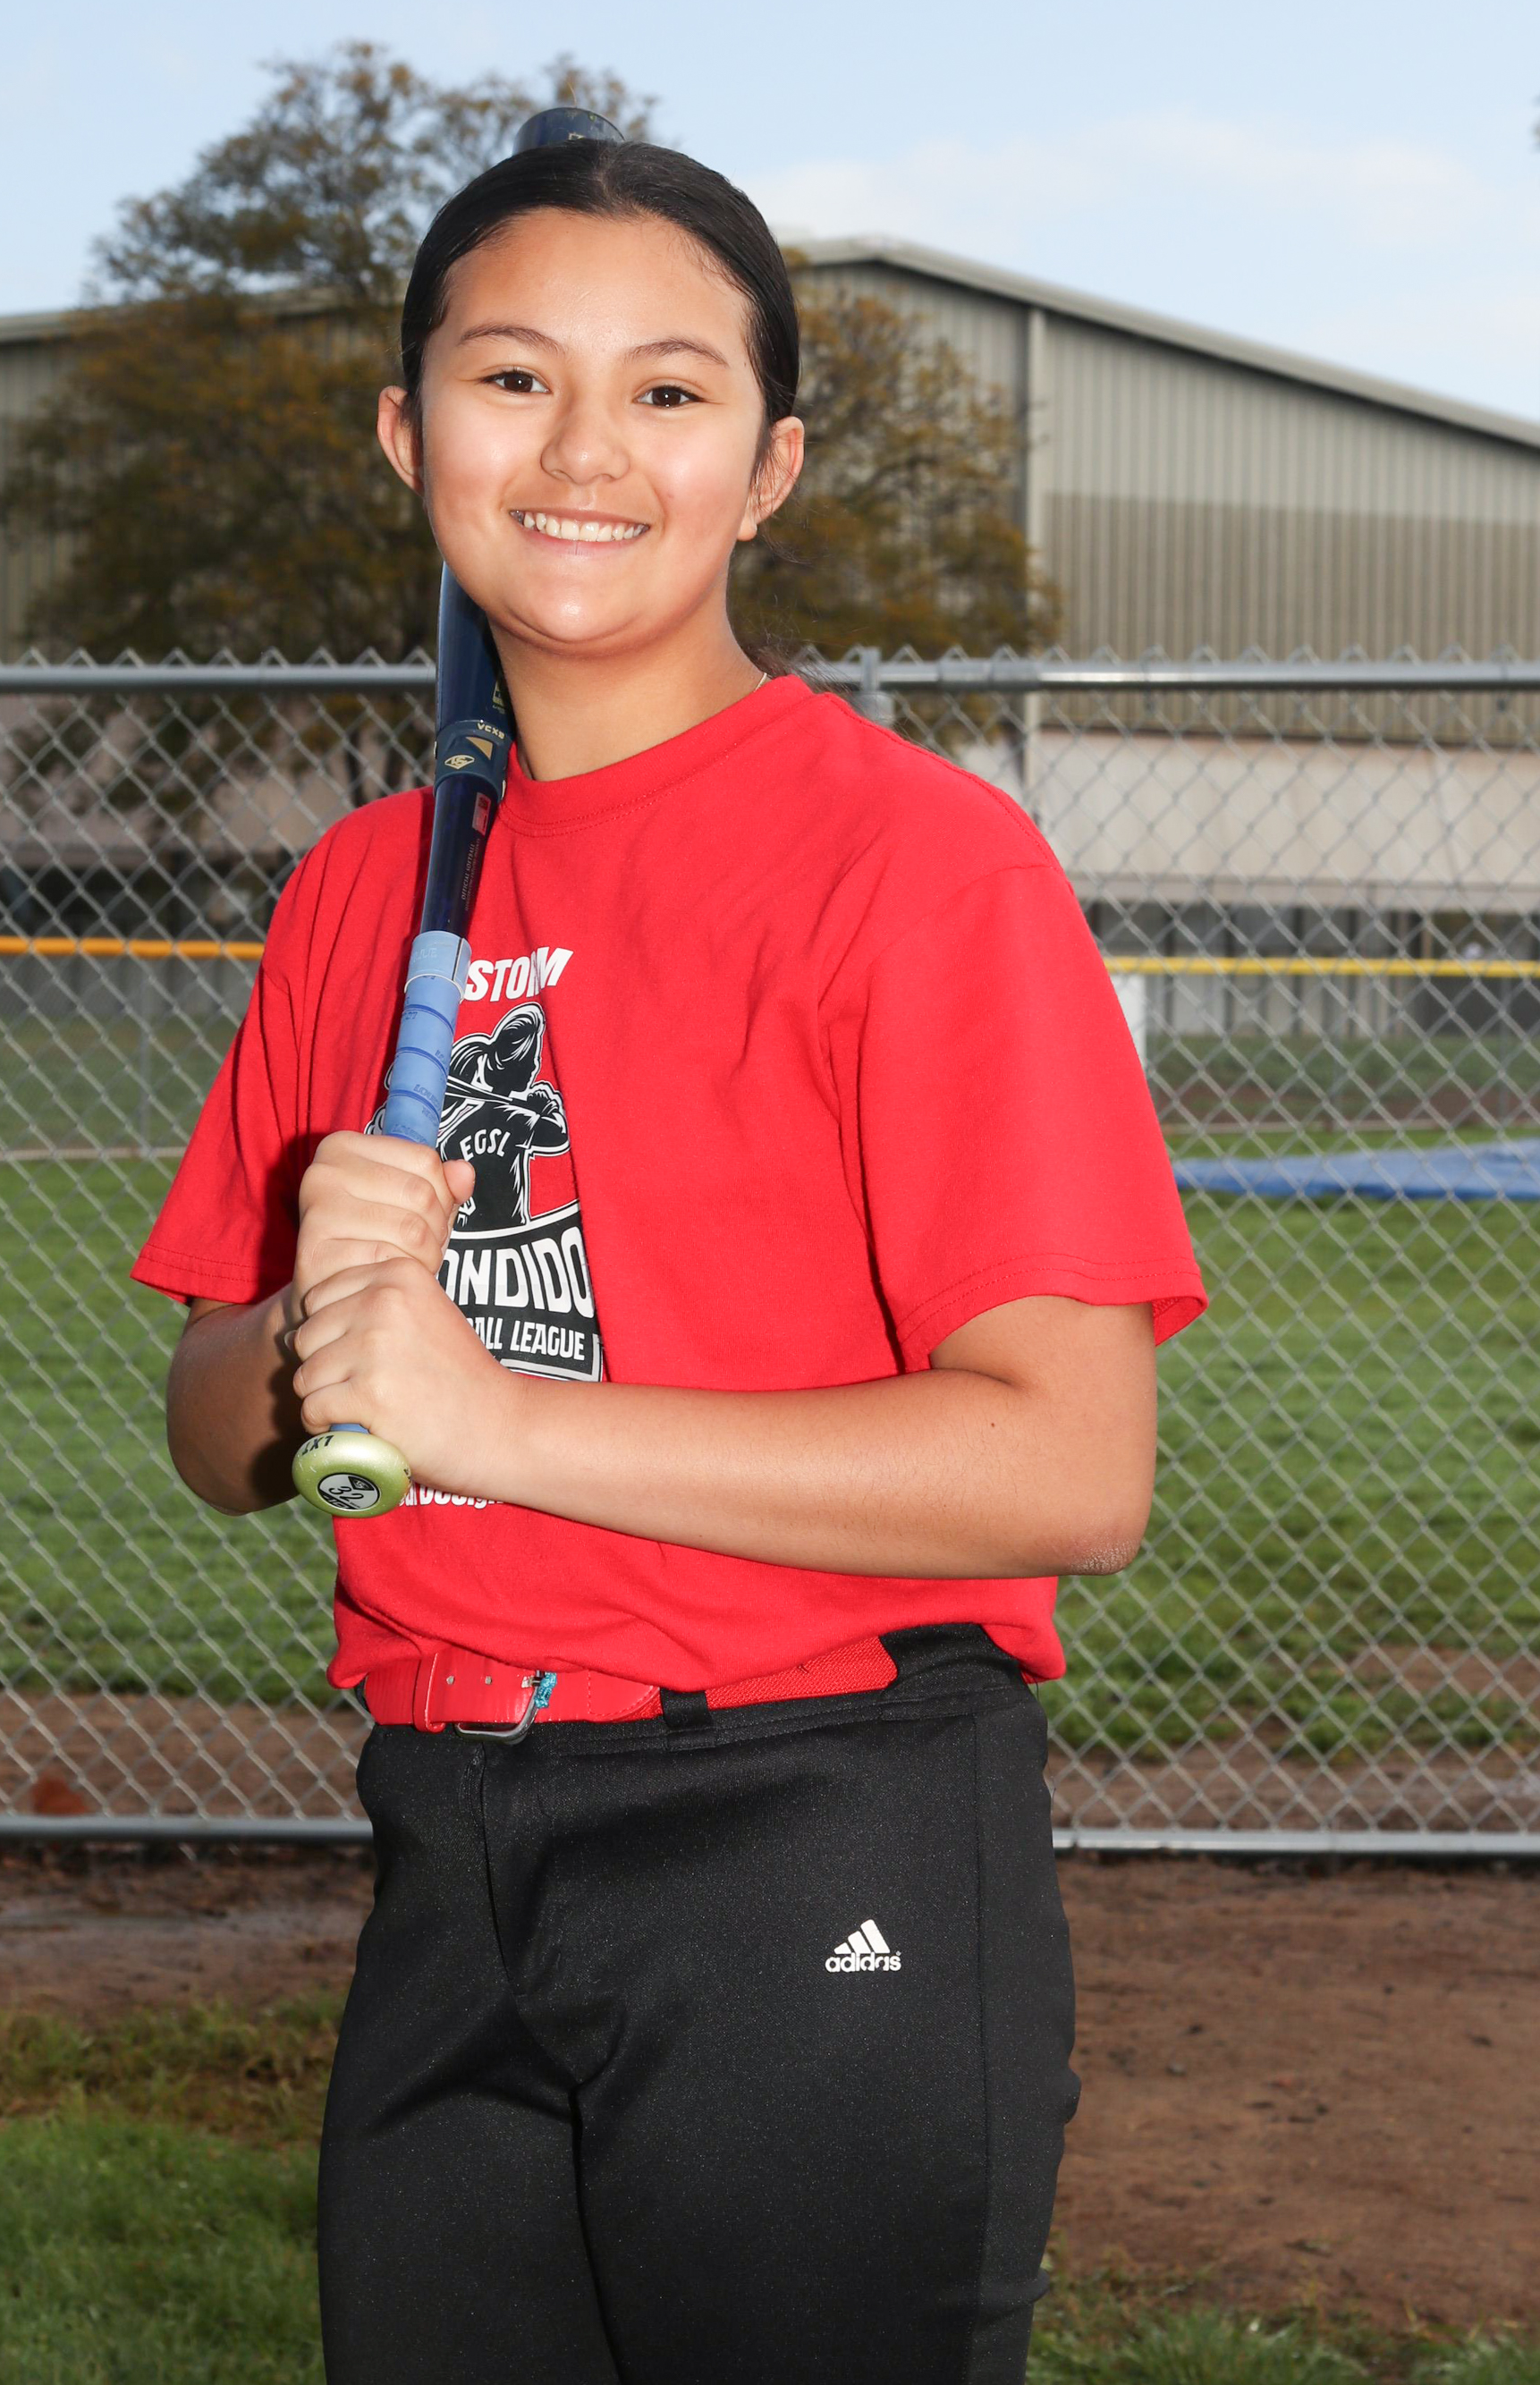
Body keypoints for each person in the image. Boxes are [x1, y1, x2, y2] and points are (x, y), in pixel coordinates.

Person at [133, 136, 1206, 2385]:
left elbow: (1067, 1466)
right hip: (448, 1830)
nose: (584, 453)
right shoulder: (362, 888)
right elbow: (216, 1434)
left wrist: (494, 1416)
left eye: (669, 391)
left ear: (768, 466)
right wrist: (315, 1335)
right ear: (409, 431)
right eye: (514, 377)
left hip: (813, 1815)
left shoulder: (917, 864)